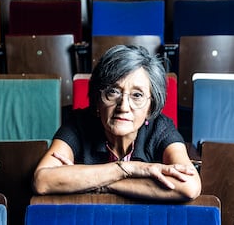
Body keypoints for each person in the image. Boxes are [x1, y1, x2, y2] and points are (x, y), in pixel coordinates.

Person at [33, 45, 201, 201]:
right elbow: (43, 180)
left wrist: (97, 182)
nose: (123, 107)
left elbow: (189, 186)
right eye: (112, 92)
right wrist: (130, 169)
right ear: (98, 100)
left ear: (151, 108)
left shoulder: (162, 129)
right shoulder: (78, 124)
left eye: (137, 95)